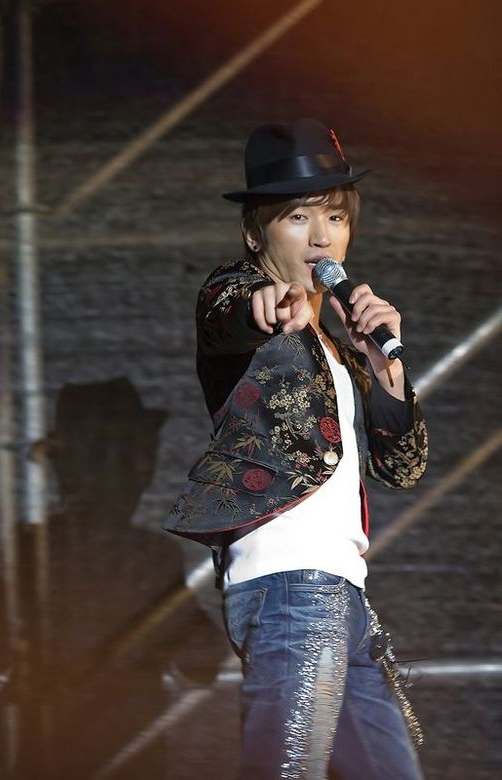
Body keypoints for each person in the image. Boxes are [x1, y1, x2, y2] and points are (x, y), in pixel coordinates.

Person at [165, 118, 428, 780]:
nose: (322, 236)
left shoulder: (340, 341)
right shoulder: (236, 294)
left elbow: (401, 466)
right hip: (291, 585)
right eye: (298, 217)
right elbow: (228, 311)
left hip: (346, 594)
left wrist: (387, 371)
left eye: (335, 216)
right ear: (256, 232)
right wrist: (265, 305)